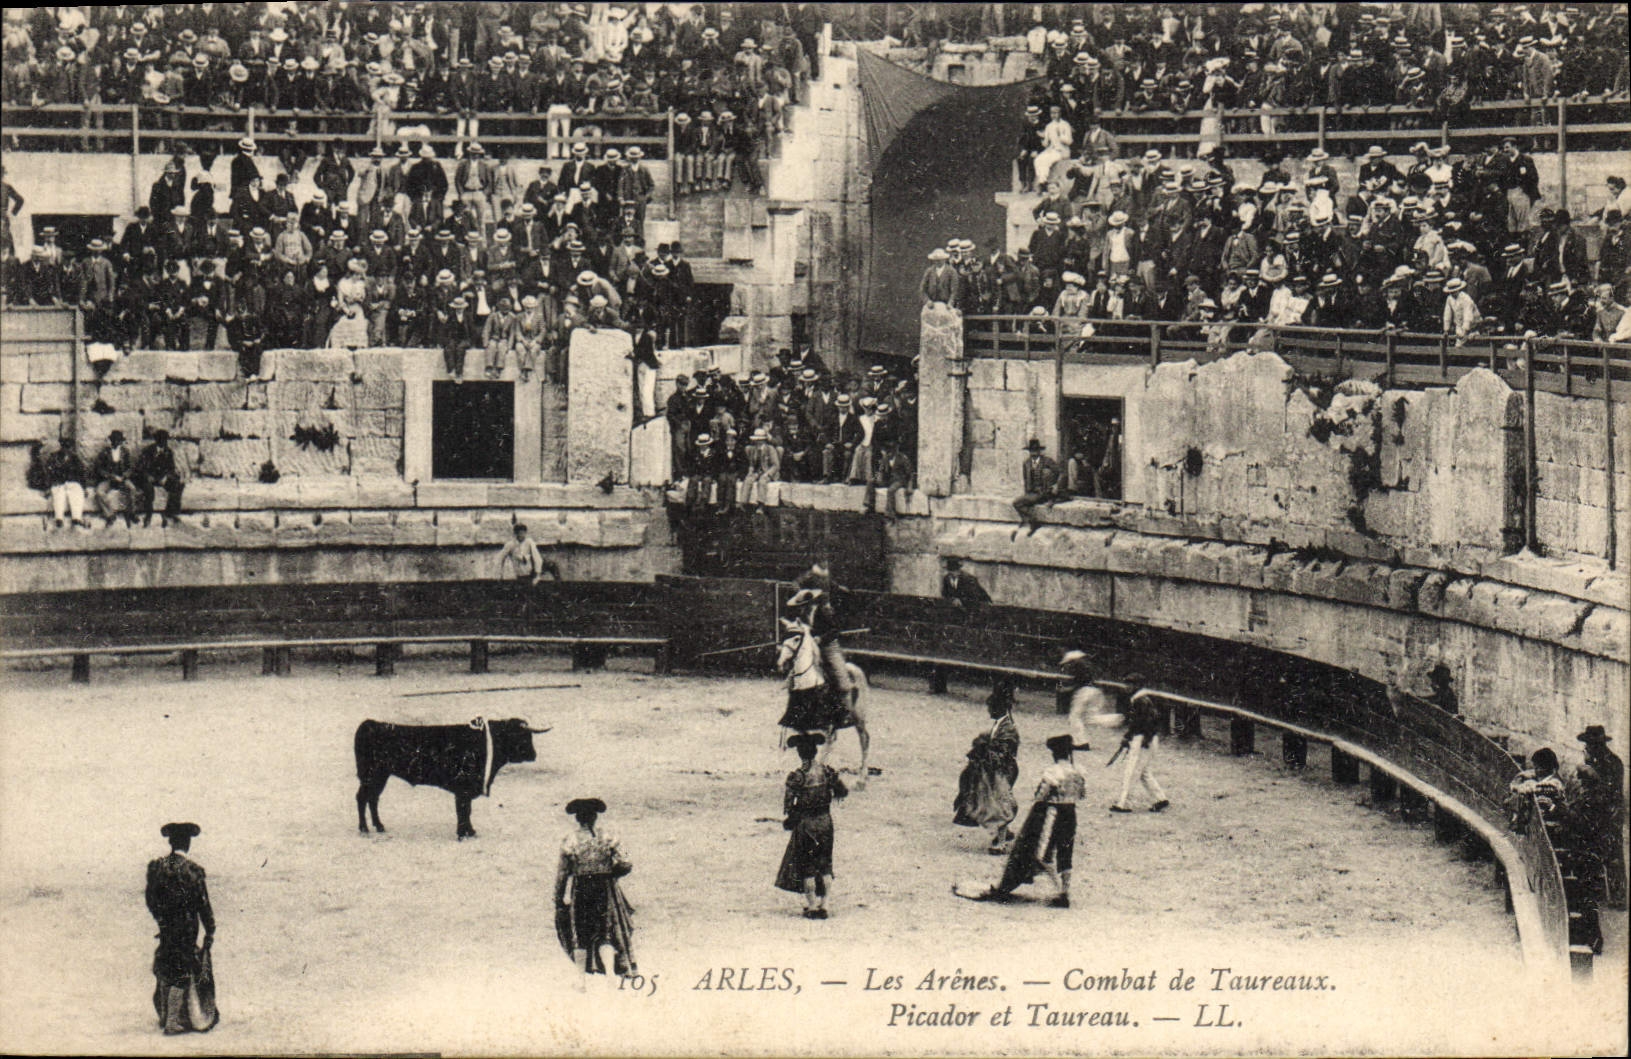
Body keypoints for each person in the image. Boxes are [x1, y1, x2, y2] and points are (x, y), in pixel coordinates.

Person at [955, 734, 1084, 907]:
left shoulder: (1053, 772)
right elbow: (1082, 795)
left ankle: (1060, 892)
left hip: (1052, 813)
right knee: (1065, 852)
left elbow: (1041, 795)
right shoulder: (1079, 771)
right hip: (1071, 814)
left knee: (1042, 856)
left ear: (1054, 753)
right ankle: (1065, 890)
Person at [553, 797, 636, 988]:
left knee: (580, 933)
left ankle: (581, 981)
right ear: (595, 818)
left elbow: (563, 873)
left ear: (577, 819)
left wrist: (558, 898)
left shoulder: (570, 840)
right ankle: (609, 976)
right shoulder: (607, 837)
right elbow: (626, 863)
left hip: (581, 889)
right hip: (604, 888)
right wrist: (611, 874)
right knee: (605, 932)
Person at [145, 822, 218, 1035]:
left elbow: (150, 899)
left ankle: (166, 1016)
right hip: (186, 930)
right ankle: (172, 1022)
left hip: (166, 928)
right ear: (187, 844)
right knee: (183, 970)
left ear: (170, 842)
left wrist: (161, 918)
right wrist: (210, 930)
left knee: (166, 967)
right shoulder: (192, 871)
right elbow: (204, 905)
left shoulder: (157, 868)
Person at [775, 732, 848, 919]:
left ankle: (813, 906)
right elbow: (842, 791)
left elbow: (789, 805)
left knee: (807, 865)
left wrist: (792, 818)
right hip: (825, 821)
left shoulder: (797, 777)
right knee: (824, 863)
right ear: (815, 751)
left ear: (800, 753)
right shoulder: (827, 771)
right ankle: (825, 904)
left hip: (806, 824)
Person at [954, 680, 1021, 855]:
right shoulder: (1002, 724)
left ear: (999, 708)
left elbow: (1002, 754)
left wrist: (983, 748)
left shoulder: (1008, 728)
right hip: (995, 770)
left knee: (999, 805)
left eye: (991, 707)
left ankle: (1000, 842)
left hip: (1002, 771)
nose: (988, 710)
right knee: (996, 804)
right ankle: (1004, 834)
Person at [1573, 725, 1625, 910]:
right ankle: (1596, 890)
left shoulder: (1612, 763)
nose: (1587, 747)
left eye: (1591, 744)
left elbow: (1609, 792)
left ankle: (1619, 897)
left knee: (1613, 856)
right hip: (1594, 812)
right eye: (1587, 744)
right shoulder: (1591, 762)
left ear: (1599, 745)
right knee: (1591, 850)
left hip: (1610, 813)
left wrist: (1591, 774)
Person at [1109, 677, 1167, 814]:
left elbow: (1146, 722)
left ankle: (1123, 804)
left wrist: (1141, 739)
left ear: (1138, 685)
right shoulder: (1142, 699)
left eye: (1130, 684)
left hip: (1143, 739)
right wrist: (1130, 737)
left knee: (1132, 772)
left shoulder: (1140, 700)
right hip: (1146, 738)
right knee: (1143, 772)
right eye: (1127, 683)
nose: (1127, 686)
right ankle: (1160, 799)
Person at [1012, 438, 1060, 539]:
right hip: (1031, 493)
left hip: (1043, 492)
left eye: (1035, 451)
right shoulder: (1027, 463)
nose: (1033, 453)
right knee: (1018, 502)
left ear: (1039, 451)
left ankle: (1033, 522)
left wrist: (1056, 486)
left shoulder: (1047, 461)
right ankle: (1031, 521)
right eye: (1031, 451)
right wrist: (1026, 494)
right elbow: (1026, 480)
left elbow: (1060, 473)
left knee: (1017, 503)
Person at [135, 429, 185, 527]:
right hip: (148, 478)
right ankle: (148, 515)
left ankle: (170, 512)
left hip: (161, 478)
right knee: (148, 490)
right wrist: (148, 476)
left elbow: (171, 468)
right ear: (156, 440)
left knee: (178, 485)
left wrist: (166, 477)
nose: (163, 442)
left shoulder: (168, 451)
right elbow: (140, 467)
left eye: (165, 440)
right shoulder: (148, 451)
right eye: (161, 439)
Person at [92, 429, 137, 525]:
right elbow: (99, 468)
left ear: (121, 441)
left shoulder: (125, 452)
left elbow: (130, 468)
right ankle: (110, 514)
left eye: (118, 440)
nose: (116, 442)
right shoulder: (105, 452)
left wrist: (124, 476)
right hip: (109, 480)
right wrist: (110, 476)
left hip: (122, 479)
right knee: (99, 492)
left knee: (132, 488)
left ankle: (131, 513)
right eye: (114, 440)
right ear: (111, 441)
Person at [495, 523, 561, 584]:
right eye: (519, 533)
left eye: (523, 533)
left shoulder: (529, 542)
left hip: (533, 569)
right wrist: (499, 574)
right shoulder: (510, 545)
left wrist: (537, 576)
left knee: (552, 565)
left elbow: (537, 558)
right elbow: (500, 558)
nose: (522, 535)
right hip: (522, 573)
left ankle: (559, 584)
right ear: (515, 534)